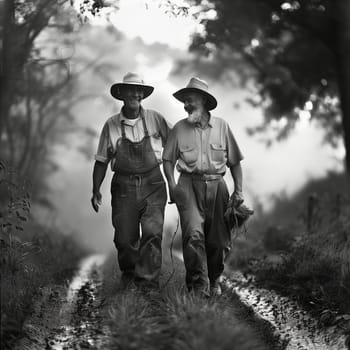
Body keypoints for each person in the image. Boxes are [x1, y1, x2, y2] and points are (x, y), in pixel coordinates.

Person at [163, 77, 244, 297]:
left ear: (204, 101)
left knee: (219, 240)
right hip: (188, 185)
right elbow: (168, 160)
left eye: (190, 100)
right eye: (185, 101)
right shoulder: (179, 128)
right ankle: (198, 286)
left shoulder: (222, 126)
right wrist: (172, 184)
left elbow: (235, 161)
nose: (186, 105)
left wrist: (239, 190)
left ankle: (215, 278)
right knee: (193, 236)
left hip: (218, 186)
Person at [91, 72, 171, 290]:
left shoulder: (155, 118)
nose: (135, 94)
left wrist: (177, 173)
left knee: (152, 233)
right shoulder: (111, 125)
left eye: (139, 91)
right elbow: (101, 160)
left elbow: (176, 141)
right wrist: (95, 189)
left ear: (142, 95)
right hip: (123, 186)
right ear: (122, 94)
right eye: (130, 90)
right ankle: (129, 272)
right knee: (125, 238)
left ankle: (148, 284)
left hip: (153, 182)